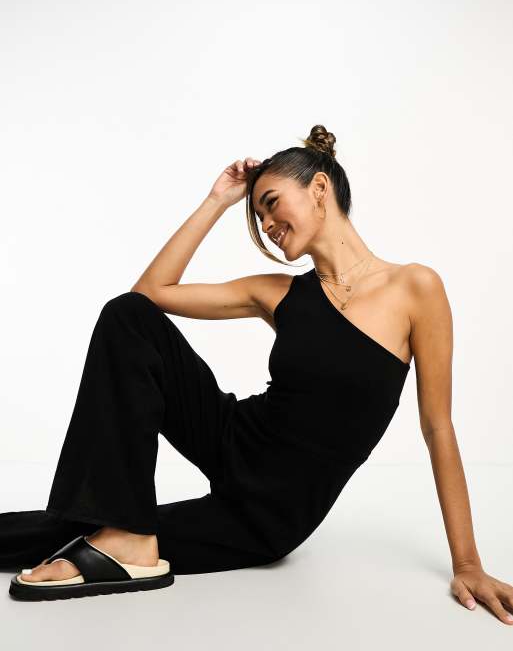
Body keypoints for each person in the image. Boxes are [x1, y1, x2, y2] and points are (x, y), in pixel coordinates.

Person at [2, 125, 513, 617]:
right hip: (233, 437)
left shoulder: (415, 288)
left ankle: (124, 537)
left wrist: (467, 564)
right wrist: (217, 201)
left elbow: (437, 427)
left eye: (270, 204)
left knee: (69, 534)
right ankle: (126, 538)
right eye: (258, 216)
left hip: (272, 512)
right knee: (127, 317)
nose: (266, 225)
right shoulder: (278, 292)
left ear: (319, 188)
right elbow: (148, 295)